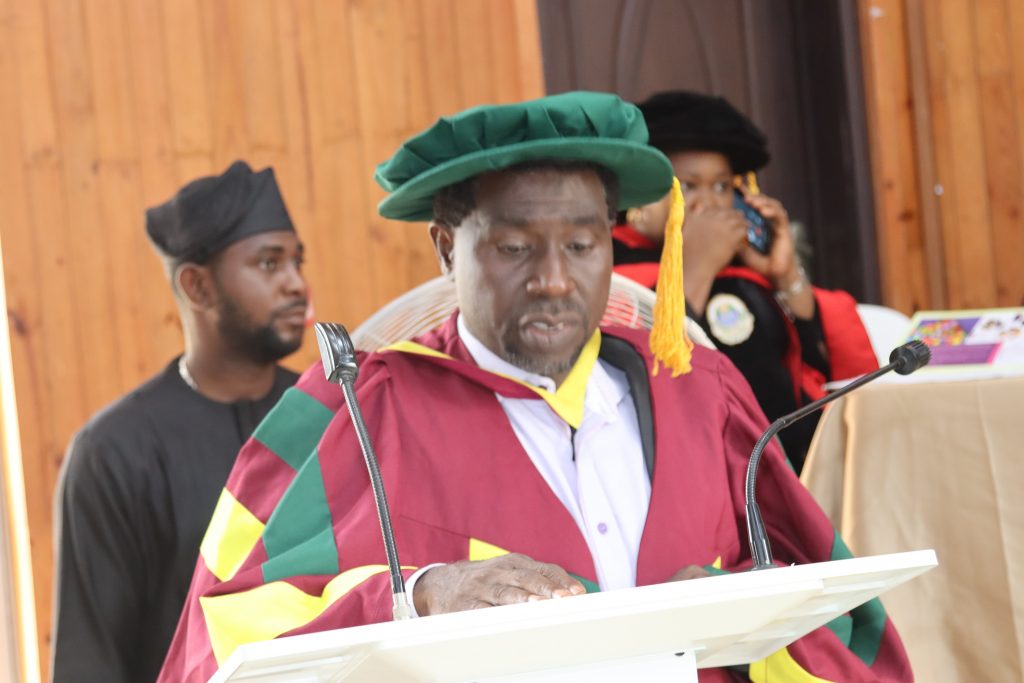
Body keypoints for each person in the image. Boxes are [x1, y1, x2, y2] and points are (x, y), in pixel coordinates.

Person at [159, 93, 911, 682]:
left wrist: (745, 611)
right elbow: (225, 634)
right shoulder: (358, 409)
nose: (554, 279)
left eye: (582, 244)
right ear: (446, 248)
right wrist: (419, 595)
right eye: (515, 247)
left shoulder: (700, 392)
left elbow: (844, 629)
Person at [51, 161, 310, 683]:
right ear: (197, 287)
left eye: (297, 262)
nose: (296, 285)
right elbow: (90, 660)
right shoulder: (115, 452)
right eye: (269, 263)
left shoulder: (330, 415)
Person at [613, 91, 878, 471]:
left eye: (722, 187)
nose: (709, 203)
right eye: (688, 186)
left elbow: (812, 366)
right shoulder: (616, 268)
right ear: (642, 199)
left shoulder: (744, 267)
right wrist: (696, 264)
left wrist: (785, 275)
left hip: (793, 464)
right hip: (702, 468)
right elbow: (654, 368)